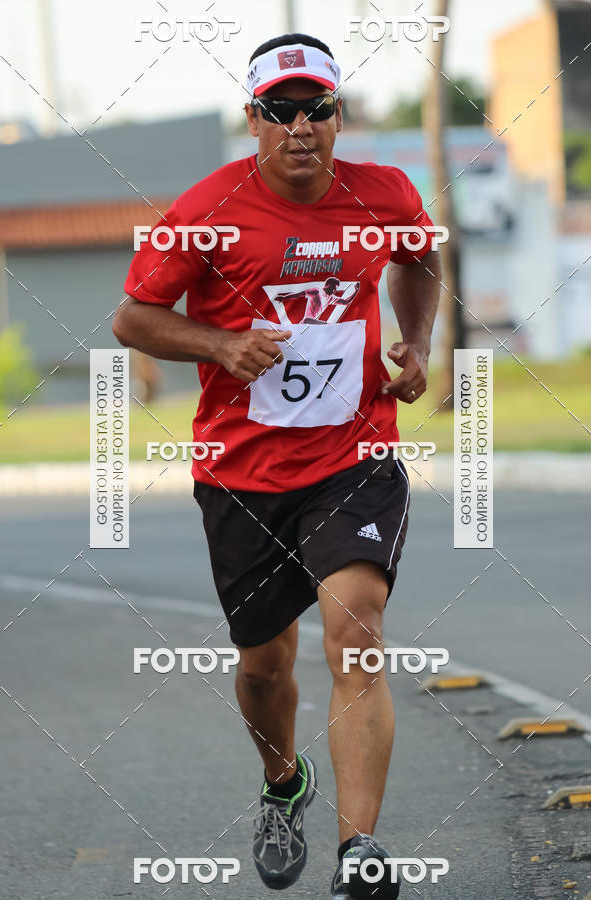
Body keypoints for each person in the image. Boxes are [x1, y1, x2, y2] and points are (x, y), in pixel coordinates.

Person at [114, 33, 440, 899]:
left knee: (357, 632)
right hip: (242, 476)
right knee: (265, 666)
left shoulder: (387, 193)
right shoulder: (205, 211)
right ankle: (282, 781)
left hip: (354, 458)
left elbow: (419, 260)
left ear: (339, 114)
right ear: (254, 119)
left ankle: (360, 853)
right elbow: (133, 319)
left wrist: (418, 346)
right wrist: (220, 342)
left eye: (318, 108)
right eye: (282, 110)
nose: (302, 126)